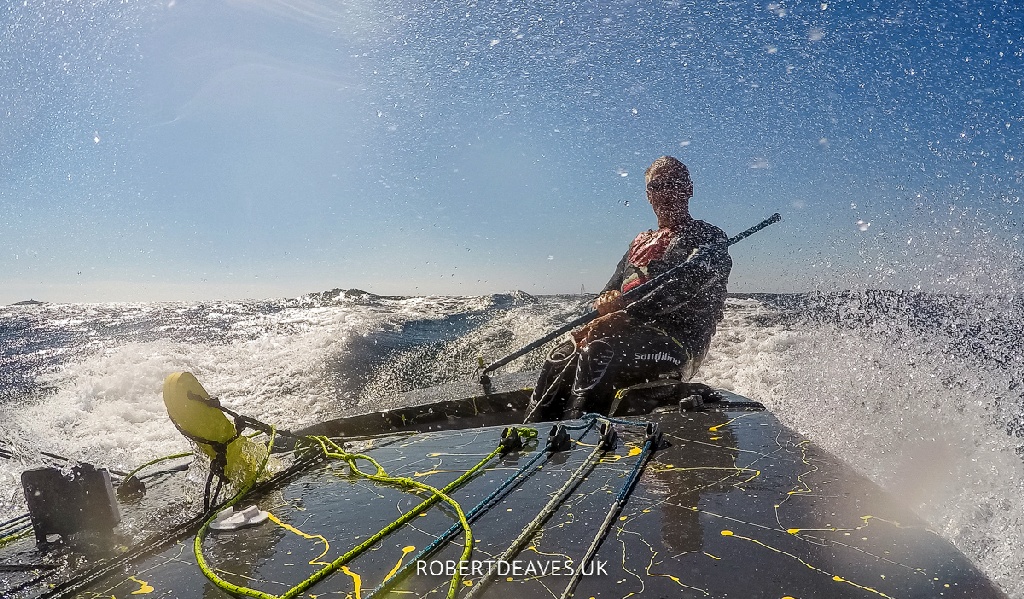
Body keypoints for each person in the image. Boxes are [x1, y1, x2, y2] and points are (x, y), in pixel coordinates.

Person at [523, 156, 732, 422]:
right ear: (648, 195)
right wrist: (605, 303)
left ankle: (580, 442)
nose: (666, 191)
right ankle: (532, 437)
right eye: (658, 186)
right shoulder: (638, 243)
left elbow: (684, 287)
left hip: (679, 343)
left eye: (674, 183)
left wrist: (624, 316)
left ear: (689, 188)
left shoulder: (708, 237)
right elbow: (604, 294)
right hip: (625, 333)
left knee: (598, 352)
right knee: (561, 355)